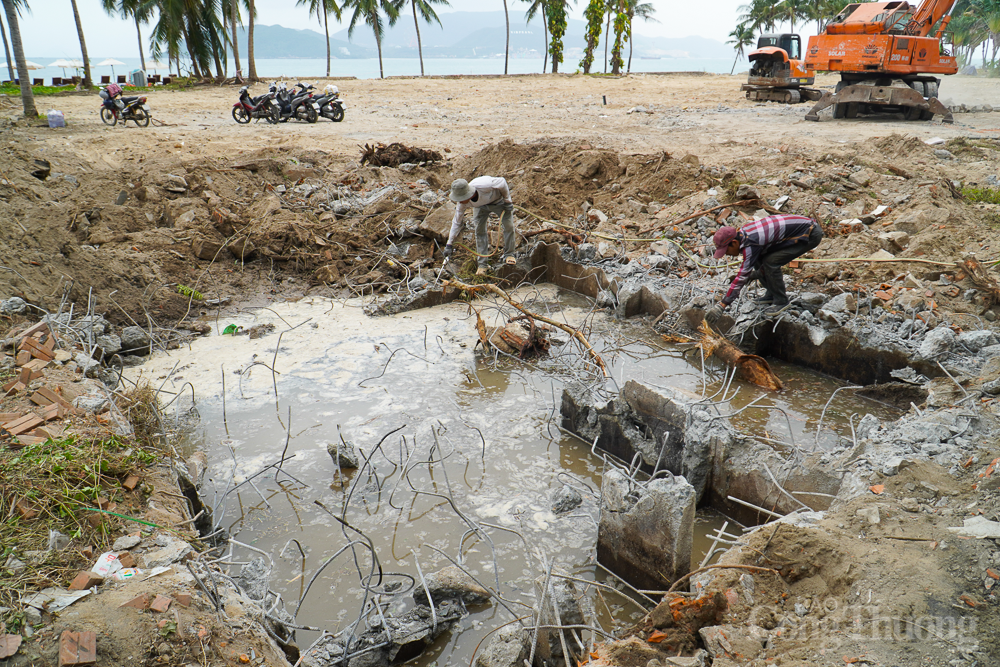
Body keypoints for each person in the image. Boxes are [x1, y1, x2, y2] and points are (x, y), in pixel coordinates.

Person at [705, 214, 823, 324]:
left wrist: (722, 305)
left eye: (726, 251)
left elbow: (742, 276)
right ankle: (771, 294)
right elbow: (754, 262)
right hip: (800, 230)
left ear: (734, 243)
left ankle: (781, 300)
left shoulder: (751, 242)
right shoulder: (745, 235)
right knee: (759, 258)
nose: (727, 254)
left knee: (771, 261)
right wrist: (755, 274)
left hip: (809, 234)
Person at [443, 176, 516, 276]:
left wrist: (507, 200)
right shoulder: (462, 204)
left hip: (498, 201)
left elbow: (502, 182)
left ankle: (509, 254)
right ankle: (482, 265)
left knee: (509, 226)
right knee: (479, 231)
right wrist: (449, 244)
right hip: (480, 207)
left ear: (467, 195)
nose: (459, 201)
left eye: (460, 198)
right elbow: (457, 222)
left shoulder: (483, 184)